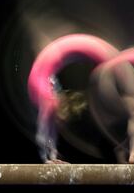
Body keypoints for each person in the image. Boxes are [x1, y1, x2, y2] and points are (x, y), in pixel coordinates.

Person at [27, 34, 118, 163]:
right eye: (63, 120)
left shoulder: (51, 94)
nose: (61, 122)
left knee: (49, 121)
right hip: (62, 54)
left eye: (62, 120)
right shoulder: (48, 99)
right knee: (48, 122)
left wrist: (52, 156)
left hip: (62, 53)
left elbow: (48, 130)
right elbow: (43, 132)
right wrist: (46, 158)